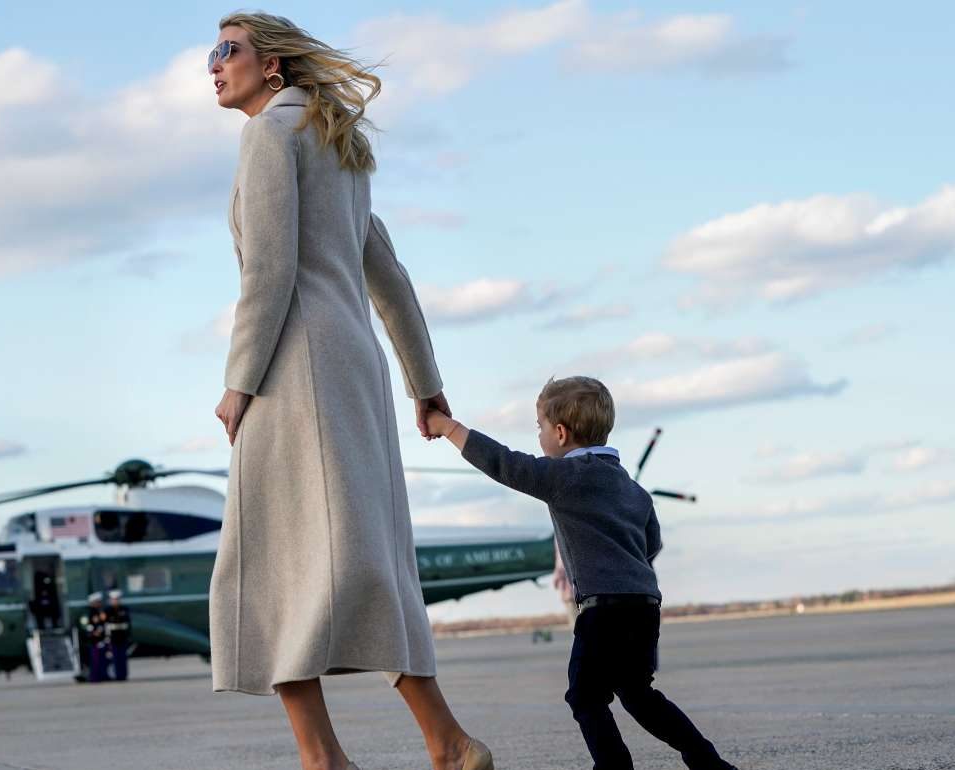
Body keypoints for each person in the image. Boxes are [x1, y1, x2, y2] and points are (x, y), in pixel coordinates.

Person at [207, 12, 492, 770]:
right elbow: (389, 277)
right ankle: (446, 741)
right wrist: (426, 386)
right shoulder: (338, 144)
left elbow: (268, 272)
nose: (213, 65)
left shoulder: (269, 135)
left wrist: (238, 382)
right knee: (364, 555)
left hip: (289, 365)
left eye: (227, 50)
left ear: (272, 65)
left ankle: (324, 758)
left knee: (267, 564)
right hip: (352, 366)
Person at [424, 377, 739, 770]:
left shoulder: (565, 477)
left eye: (539, 427)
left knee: (586, 697)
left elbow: (503, 463)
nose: (538, 436)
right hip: (644, 606)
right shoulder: (633, 489)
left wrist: (448, 427)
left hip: (603, 610)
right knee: (639, 695)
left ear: (560, 433)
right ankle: (709, 763)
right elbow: (651, 544)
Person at [78, 592, 108, 684]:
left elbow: (103, 624)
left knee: (102, 660)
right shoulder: (87, 612)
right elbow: (84, 625)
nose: (99, 603)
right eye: (97, 602)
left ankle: (102, 675)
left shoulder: (100, 612)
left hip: (101, 640)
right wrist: (93, 632)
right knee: (94, 660)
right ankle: (94, 677)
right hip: (91, 641)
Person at [104, 590, 131, 682]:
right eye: (114, 600)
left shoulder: (124, 609)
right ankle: (117, 675)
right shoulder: (108, 610)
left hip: (122, 636)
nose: (115, 601)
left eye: (117, 599)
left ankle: (123, 675)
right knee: (115, 657)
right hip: (113, 637)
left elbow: (128, 623)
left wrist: (128, 635)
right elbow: (105, 624)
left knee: (123, 657)